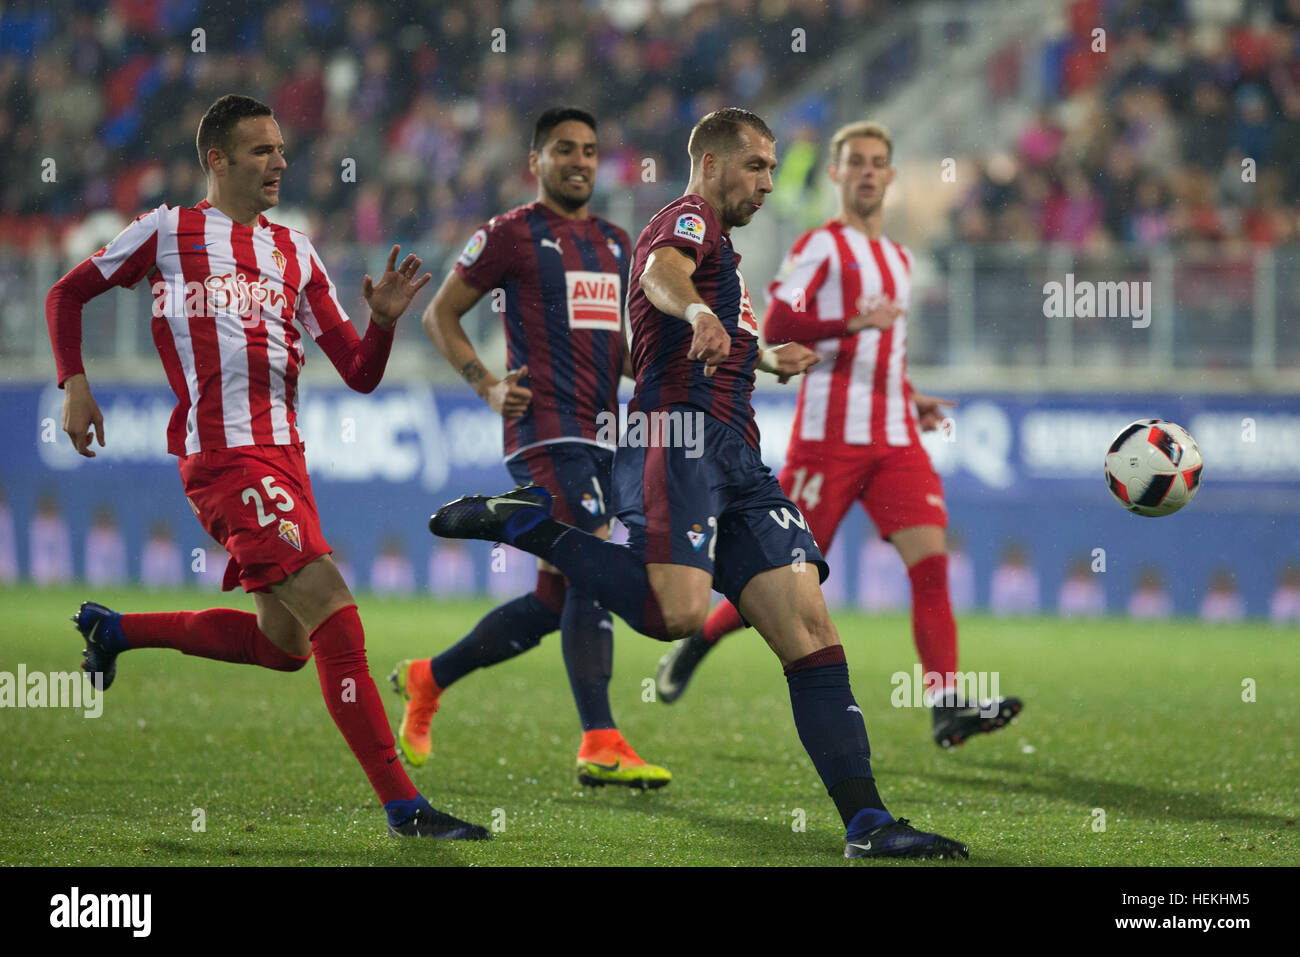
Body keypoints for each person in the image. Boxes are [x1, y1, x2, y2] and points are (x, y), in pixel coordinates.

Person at [431, 108, 968, 859]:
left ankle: (870, 823)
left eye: (774, 169)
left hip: (737, 454)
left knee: (810, 631)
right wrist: (696, 312)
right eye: (755, 167)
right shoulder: (685, 219)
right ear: (711, 165)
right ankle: (524, 524)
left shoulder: (726, 257)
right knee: (674, 614)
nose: (767, 183)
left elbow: (720, 330)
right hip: (673, 435)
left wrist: (765, 355)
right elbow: (660, 275)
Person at [45, 93, 486, 840]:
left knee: (283, 645)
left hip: (285, 457)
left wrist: (379, 325)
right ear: (216, 159)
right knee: (336, 609)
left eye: (282, 149)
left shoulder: (296, 251)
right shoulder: (167, 232)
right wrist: (75, 383)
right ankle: (404, 807)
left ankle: (118, 631)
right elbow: (66, 292)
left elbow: (358, 371)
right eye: (261, 150)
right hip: (222, 456)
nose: (280, 161)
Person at [654, 121, 1022, 749]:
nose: (869, 172)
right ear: (836, 173)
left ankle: (946, 705)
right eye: (856, 162)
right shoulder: (819, 248)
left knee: (931, 565)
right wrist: (853, 319)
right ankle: (699, 640)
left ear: (892, 174)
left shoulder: (902, 260)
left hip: (896, 439)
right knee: (778, 576)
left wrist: (911, 399)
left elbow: (887, 353)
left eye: (879, 162)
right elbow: (780, 319)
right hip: (828, 441)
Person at [391, 107, 670, 789]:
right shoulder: (511, 235)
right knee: (599, 564)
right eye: (564, 149)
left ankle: (431, 677)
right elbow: (439, 313)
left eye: (590, 150)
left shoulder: (614, 241)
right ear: (535, 161)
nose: (580, 160)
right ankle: (600, 739)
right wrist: (485, 385)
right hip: (546, 431)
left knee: (555, 600)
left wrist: (670, 381)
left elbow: (620, 347)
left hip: (604, 437)